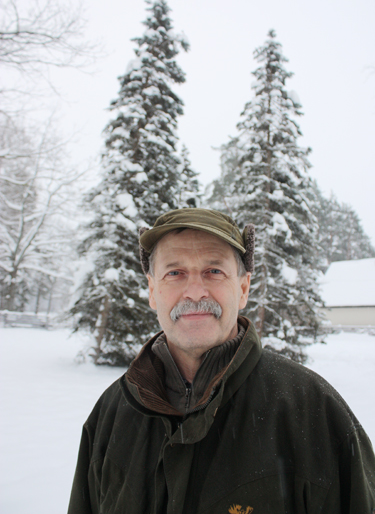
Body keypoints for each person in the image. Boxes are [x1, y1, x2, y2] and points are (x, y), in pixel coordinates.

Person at [68, 208, 375, 514]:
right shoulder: (111, 413)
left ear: (242, 289)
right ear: (152, 291)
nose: (195, 292)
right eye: (174, 273)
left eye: (214, 271)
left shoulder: (313, 411)